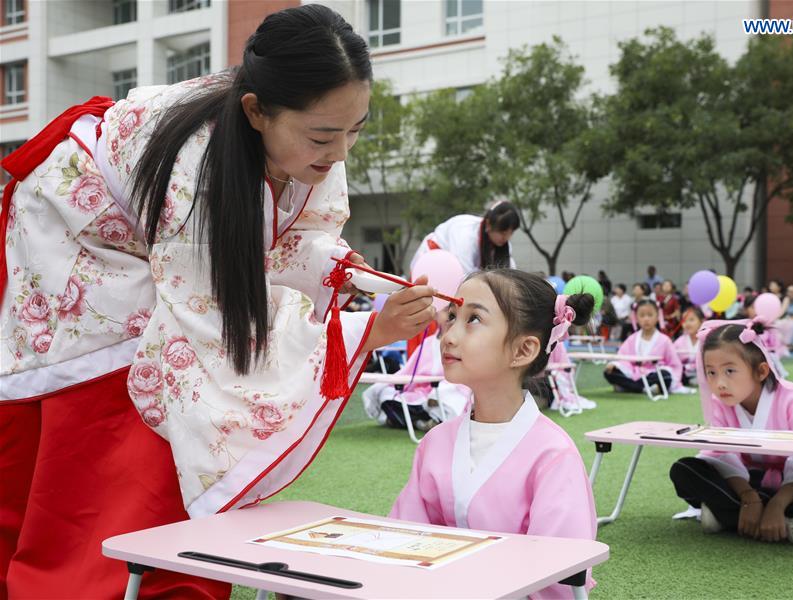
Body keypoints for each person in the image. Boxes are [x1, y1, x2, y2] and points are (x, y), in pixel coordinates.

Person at [0, 6, 437, 598]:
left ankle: (170, 567)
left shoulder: (306, 138)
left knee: (171, 388)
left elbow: (290, 241)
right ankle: (103, 575)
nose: (340, 153)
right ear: (257, 110)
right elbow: (214, 323)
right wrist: (364, 333)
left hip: (160, 234)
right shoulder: (198, 169)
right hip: (75, 227)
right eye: (324, 136)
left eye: (356, 129)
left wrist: (344, 271)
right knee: (134, 382)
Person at [389, 269, 598, 599]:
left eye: (473, 319)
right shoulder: (436, 442)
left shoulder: (553, 455)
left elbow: (559, 576)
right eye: (453, 316)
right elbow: (403, 541)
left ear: (523, 350)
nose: (448, 335)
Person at [669, 320, 793, 549]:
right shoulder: (721, 404)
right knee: (684, 471)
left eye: (729, 371)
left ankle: (731, 518)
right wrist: (748, 497)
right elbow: (720, 454)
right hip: (749, 482)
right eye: (711, 373)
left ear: (761, 371)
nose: (720, 383)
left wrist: (777, 504)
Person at [362, 309, 470, 431]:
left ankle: (411, 420)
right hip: (419, 391)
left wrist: (440, 389)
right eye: (447, 312)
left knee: (446, 396)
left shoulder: (461, 343)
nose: (450, 318)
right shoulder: (428, 342)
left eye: (453, 314)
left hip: (444, 388)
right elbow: (409, 370)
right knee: (386, 394)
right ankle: (420, 421)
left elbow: (464, 375)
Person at [410, 200, 519, 275]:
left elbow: (510, 274)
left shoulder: (504, 245)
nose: (506, 238)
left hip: (461, 274)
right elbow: (463, 273)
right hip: (432, 261)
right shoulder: (465, 233)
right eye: (503, 232)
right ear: (489, 224)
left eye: (511, 233)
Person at [604, 299, 681, 394]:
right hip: (634, 372)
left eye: (650, 315)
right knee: (609, 372)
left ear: (657, 317)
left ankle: (629, 386)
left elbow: (674, 365)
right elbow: (622, 358)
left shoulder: (665, 340)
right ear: (636, 318)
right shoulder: (632, 339)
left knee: (665, 376)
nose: (646, 319)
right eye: (642, 315)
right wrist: (616, 364)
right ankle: (642, 388)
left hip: (654, 374)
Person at [673, 306, 704, 388]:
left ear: (701, 321)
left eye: (691, 320)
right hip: (683, 373)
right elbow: (674, 362)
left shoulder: (706, 340)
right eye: (684, 320)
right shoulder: (678, 342)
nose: (687, 323)